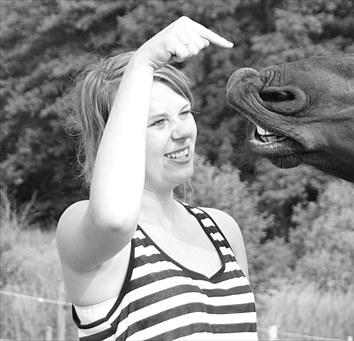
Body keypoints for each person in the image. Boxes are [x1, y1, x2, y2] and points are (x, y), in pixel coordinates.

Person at [56, 17, 257, 340]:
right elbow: (114, 219)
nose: (181, 132)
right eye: (158, 122)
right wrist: (144, 61)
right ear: (116, 137)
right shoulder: (83, 228)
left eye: (184, 112)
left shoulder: (222, 229)